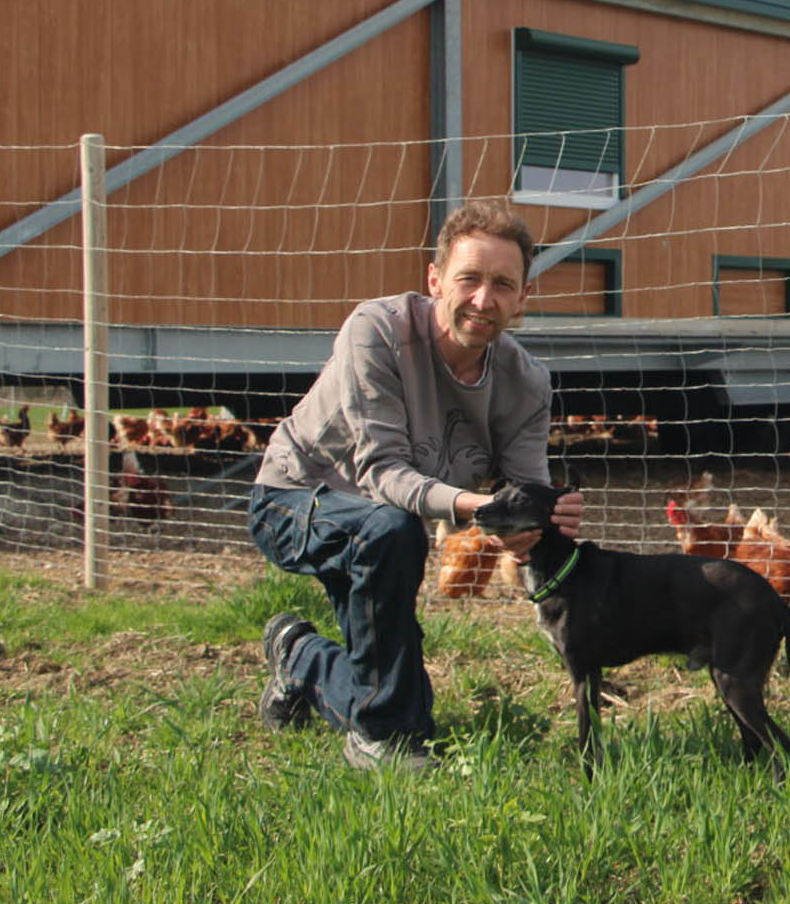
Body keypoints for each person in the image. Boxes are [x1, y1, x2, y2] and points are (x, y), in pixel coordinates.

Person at [247, 198, 584, 770]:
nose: (484, 299)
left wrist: (536, 521)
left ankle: (299, 656)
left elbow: (525, 488)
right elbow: (382, 471)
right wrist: (481, 508)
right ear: (435, 280)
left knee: (408, 699)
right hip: (295, 500)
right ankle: (378, 741)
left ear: (523, 298)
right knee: (392, 528)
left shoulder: (525, 381)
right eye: (469, 279)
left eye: (503, 284)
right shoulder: (377, 330)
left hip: (386, 536)